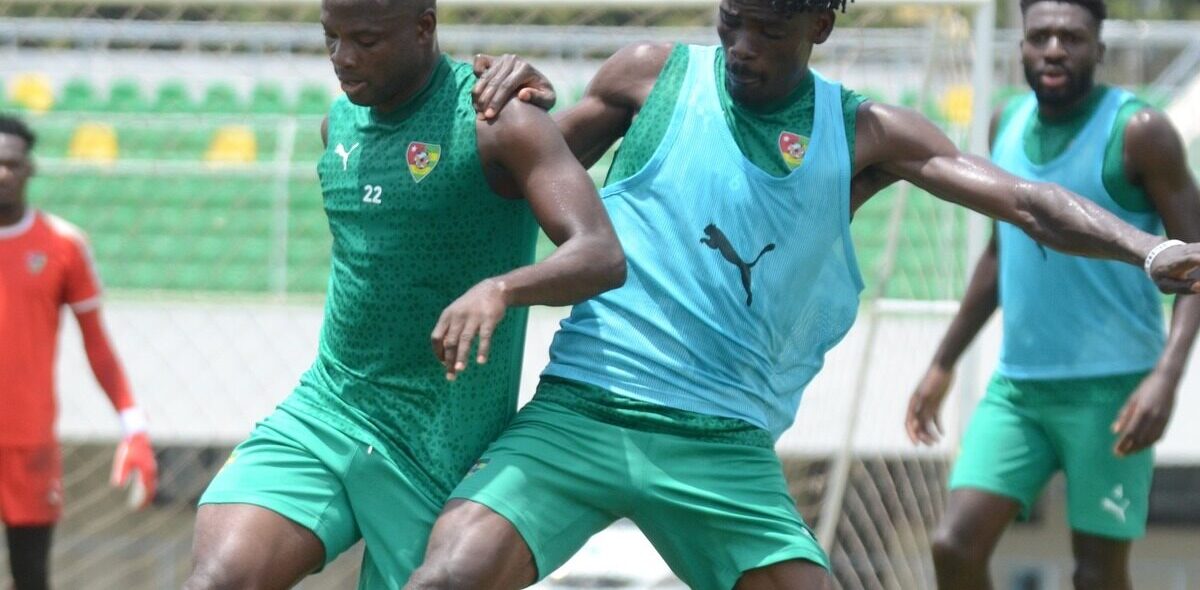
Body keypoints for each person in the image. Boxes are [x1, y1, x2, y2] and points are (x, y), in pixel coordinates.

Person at [404, 0, 1200, 589]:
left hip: (723, 447)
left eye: (769, 31)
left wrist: (1147, 247)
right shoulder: (649, 75)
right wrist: (511, 92)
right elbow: (512, 175)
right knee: (447, 576)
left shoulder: (864, 132)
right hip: (583, 409)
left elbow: (1025, 204)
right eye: (731, 22)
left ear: (820, 24)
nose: (743, 47)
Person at [183, 0, 625, 588]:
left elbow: (599, 252)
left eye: (365, 40)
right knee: (216, 581)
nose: (342, 58)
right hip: (328, 412)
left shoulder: (496, 119)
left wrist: (500, 290)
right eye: (331, 37)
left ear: (424, 27)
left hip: (436, 448)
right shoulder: (335, 125)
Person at [903, 1, 1200, 588]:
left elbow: (1194, 262)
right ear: (1021, 47)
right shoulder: (1002, 123)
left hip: (1113, 393)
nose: (1055, 49)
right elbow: (998, 253)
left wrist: (1165, 378)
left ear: (1100, 49)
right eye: (1040, 36)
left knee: (1095, 575)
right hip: (1019, 390)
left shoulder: (1140, 132)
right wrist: (943, 362)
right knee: (953, 547)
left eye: (1072, 36)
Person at [0, 115, 158, 590]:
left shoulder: (62, 246)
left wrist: (133, 424)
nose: (2, 172)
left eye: (11, 163)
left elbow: (97, 344)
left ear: (30, 168)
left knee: (32, 577)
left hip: (28, 443)